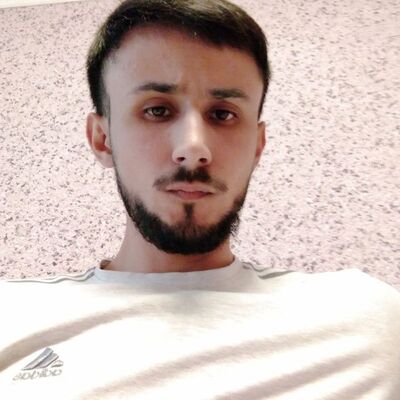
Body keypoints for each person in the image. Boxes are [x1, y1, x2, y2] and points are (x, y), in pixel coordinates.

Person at [1, 0, 399, 398]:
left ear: (257, 146)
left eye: (223, 114)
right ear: (102, 139)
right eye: (157, 110)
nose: (193, 149)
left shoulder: (370, 321)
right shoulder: (13, 314)